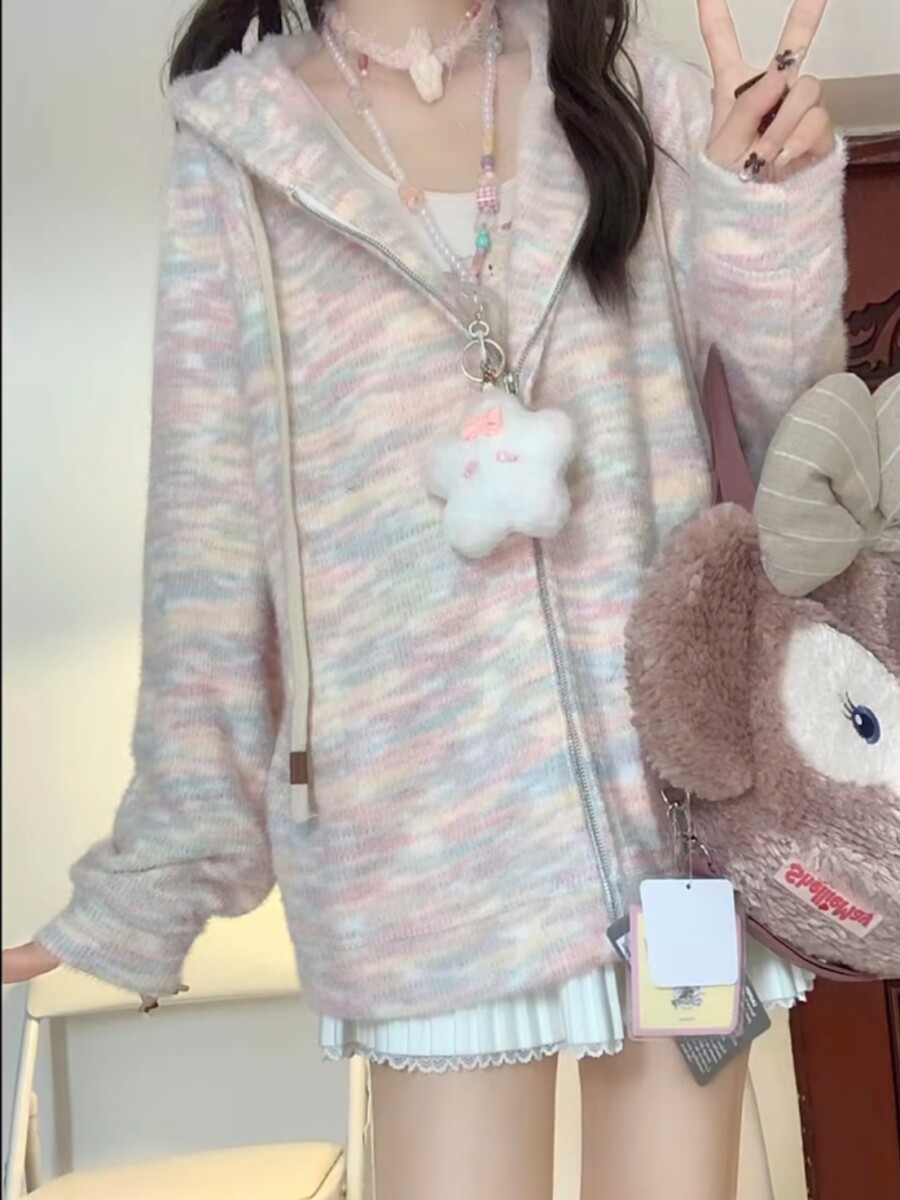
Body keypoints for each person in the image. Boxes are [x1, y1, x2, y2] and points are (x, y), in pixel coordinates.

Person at [3, 0, 845, 1195]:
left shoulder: (631, 97)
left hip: (675, 837)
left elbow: (796, 440)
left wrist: (763, 204)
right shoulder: (240, 155)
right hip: (421, 855)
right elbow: (209, 537)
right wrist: (156, 873)